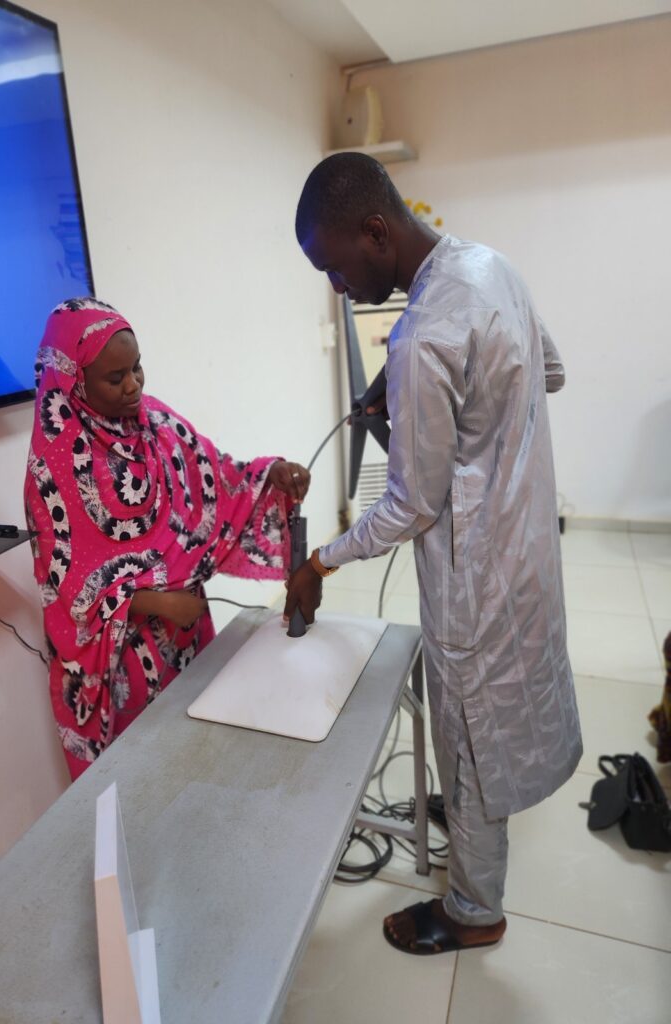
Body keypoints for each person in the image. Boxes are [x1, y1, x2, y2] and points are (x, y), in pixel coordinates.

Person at [285, 153, 582, 955]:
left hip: (475, 575)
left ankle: (473, 912)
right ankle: (476, 809)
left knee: (469, 724)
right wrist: (435, 400)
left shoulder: (420, 338)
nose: (338, 289)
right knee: (498, 712)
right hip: (526, 549)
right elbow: (548, 370)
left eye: (336, 268)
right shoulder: (490, 267)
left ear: (375, 232)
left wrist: (321, 561)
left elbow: (411, 506)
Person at [25, 298, 310, 780]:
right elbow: (70, 597)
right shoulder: (53, 468)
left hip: (187, 635)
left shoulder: (155, 424)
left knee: (207, 762)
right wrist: (159, 603)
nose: (133, 385)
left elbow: (218, 480)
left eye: (137, 369)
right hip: (125, 667)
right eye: (115, 379)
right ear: (73, 381)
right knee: (149, 785)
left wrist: (271, 475)